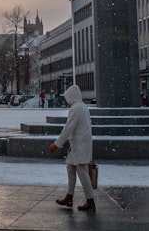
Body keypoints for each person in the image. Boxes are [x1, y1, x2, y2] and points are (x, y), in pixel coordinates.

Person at [48, 84, 96, 212]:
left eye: (67, 97)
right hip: (81, 145)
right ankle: (69, 197)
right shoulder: (83, 107)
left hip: (79, 146)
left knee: (82, 172)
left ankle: (90, 200)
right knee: (71, 167)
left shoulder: (76, 109)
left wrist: (56, 144)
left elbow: (68, 129)